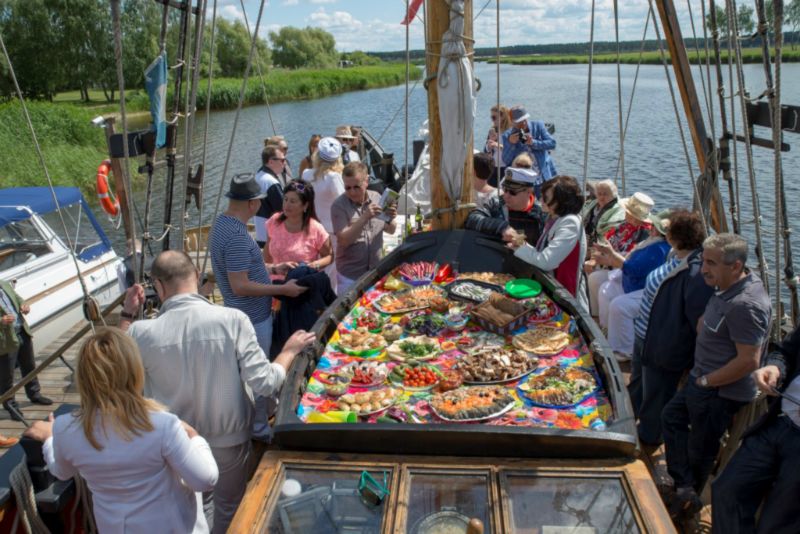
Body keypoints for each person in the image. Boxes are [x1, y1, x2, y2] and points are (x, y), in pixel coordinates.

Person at [120, 251, 315, 533]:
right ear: (197, 277)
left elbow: (113, 366)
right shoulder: (233, 320)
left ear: (159, 287)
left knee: (185, 510)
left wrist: (127, 313)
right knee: (229, 510)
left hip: (174, 444)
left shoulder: (139, 332)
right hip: (229, 441)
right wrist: (288, 352)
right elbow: (265, 382)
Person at [24, 327, 219, 533]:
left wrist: (49, 439)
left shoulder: (65, 428)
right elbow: (205, 480)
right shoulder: (163, 425)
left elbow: (62, 472)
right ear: (134, 371)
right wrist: (196, 438)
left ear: (83, 377)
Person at [662, 233, 771, 519]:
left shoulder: (746, 305)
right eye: (703, 261)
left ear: (736, 266)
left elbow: (748, 360)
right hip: (702, 379)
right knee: (671, 417)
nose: (703, 269)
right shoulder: (726, 286)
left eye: (711, 263)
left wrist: (706, 382)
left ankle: (686, 505)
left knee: (700, 451)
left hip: (717, 392)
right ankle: (684, 486)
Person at [628, 209, 711, 445]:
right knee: (638, 384)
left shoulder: (695, 273)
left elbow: (696, 319)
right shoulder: (674, 256)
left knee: (657, 394)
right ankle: (628, 420)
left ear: (675, 236)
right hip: (645, 336)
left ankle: (649, 438)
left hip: (664, 346)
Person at [711, 324, 800, 533]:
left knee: (778, 524)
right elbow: (785, 352)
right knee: (727, 491)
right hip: (779, 422)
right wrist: (775, 368)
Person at [505, 175, 588, 312]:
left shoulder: (570, 223)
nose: (541, 200)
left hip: (567, 296)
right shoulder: (554, 218)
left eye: (546, 198)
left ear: (561, 201)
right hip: (554, 290)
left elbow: (546, 261)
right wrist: (519, 244)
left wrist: (519, 249)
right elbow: (542, 252)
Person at [593, 217, 671, 360]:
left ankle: (625, 350)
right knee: (606, 290)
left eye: (654, 226)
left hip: (644, 289)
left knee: (619, 305)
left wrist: (612, 255)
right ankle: (607, 331)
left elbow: (634, 270)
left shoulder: (659, 249)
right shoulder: (650, 242)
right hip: (631, 284)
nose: (651, 228)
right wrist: (612, 257)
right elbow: (631, 260)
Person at [331, 162, 397, 295]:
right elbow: (343, 240)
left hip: (375, 271)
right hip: (350, 277)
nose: (352, 192)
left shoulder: (377, 198)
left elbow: (391, 230)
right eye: (347, 188)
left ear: (366, 181)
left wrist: (390, 217)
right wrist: (364, 217)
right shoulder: (338, 206)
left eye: (357, 187)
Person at [586, 192, 653, 317]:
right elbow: (605, 242)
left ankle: (603, 321)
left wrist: (606, 261)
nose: (625, 214)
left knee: (598, 281)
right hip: (609, 265)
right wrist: (594, 260)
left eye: (628, 213)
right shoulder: (623, 225)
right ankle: (595, 316)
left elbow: (630, 262)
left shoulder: (645, 235)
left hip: (623, 271)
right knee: (589, 272)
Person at [0, 278, 52, 421]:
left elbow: (18, 299)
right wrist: (1, 321)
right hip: (5, 339)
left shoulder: (4, 284)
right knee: (7, 375)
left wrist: (24, 305)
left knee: (29, 366)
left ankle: (34, 394)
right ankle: (11, 406)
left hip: (22, 331)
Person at [263, 180, 333, 281]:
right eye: (285, 199)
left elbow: (329, 256)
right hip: (274, 285)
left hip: (302, 285)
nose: (287, 205)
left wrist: (315, 265)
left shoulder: (316, 229)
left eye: (292, 201)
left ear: (305, 205)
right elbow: (267, 256)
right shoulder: (274, 221)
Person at [465, 167, 545, 249]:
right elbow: (472, 219)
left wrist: (519, 242)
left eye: (512, 192)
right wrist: (502, 227)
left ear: (529, 192)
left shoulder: (541, 214)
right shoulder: (497, 202)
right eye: (505, 190)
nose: (506, 196)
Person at [500, 105, 557, 196]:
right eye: (519, 121)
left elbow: (552, 143)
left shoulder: (538, 126)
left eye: (525, 119)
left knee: (548, 201)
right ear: (512, 122)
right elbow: (506, 160)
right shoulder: (507, 136)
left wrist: (533, 143)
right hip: (524, 182)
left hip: (544, 177)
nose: (523, 123)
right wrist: (511, 144)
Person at [301, 137, 345, 236]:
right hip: (332, 229)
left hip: (311, 226)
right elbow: (344, 203)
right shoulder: (334, 177)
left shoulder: (306, 174)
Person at [253, 145, 286, 248]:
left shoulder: (257, 176)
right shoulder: (271, 182)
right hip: (272, 236)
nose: (285, 163)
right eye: (282, 160)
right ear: (271, 162)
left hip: (260, 233)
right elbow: (283, 209)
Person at [580, 179, 625, 246]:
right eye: (599, 194)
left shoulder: (618, 210)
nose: (601, 197)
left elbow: (608, 229)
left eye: (605, 194)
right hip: (584, 238)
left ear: (613, 195)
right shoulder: (592, 204)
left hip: (601, 244)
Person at [484, 105, 511, 186]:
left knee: (503, 191)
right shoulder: (493, 130)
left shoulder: (511, 132)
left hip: (506, 168)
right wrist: (489, 146)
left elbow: (514, 150)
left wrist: (498, 145)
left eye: (494, 117)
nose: (492, 120)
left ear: (503, 117)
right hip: (493, 167)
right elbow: (486, 150)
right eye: (491, 117)